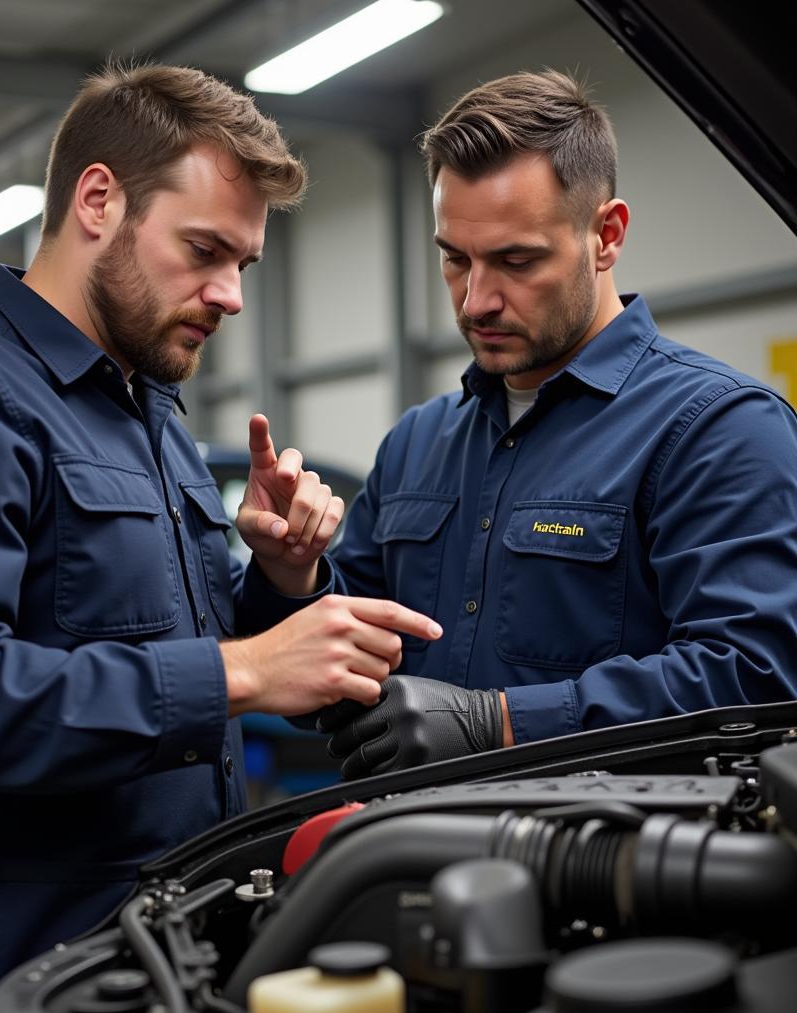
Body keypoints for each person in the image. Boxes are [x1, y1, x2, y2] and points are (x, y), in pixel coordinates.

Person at [0, 63, 441, 1013]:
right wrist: (241, 674)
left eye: (245, 264)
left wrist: (277, 580)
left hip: (148, 954)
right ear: (98, 200)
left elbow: (164, 636)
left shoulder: (146, 413)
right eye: (203, 249)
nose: (229, 294)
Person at [318, 70, 797, 780]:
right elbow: (333, 667)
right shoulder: (416, 444)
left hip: (603, 874)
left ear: (606, 235)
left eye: (517, 261)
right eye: (455, 259)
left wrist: (501, 724)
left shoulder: (720, 430)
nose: (476, 300)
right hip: (405, 863)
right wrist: (290, 573)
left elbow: (756, 677)